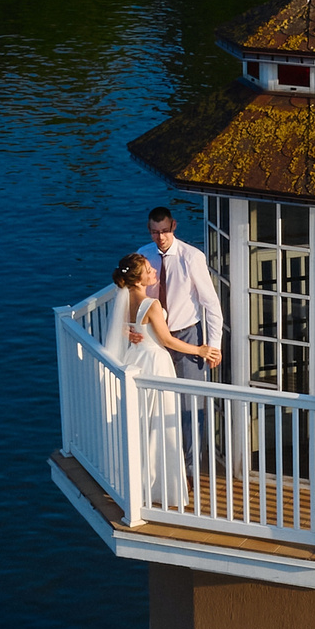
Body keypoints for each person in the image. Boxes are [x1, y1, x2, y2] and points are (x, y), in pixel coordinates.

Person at [106, 254, 209, 510]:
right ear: (138, 279)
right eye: (149, 270)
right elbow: (167, 340)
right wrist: (200, 351)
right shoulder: (150, 304)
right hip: (156, 363)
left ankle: (138, 481)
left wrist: (129, 332)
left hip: (135, 359)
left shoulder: (125, 298)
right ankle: (163, 486)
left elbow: (117, 327)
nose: (153, 272)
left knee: (142, 421)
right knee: (162, 423)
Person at [126, 206, 223, 380]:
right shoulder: (143, 255)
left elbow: (211, 303)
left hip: (186, 333)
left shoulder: (192, 257)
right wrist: (129, 329)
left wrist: (214, 346)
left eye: (165, 231)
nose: (161, 237)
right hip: (153, 335)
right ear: (149, 230)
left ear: (174, 226)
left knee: (191, 397)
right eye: (155, 232)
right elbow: (132, 296)